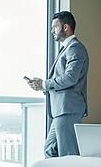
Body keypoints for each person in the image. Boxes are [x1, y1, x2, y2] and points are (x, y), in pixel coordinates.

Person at [27, 11, 89, 158]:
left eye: (55, 27)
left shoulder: (75, 48)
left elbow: (70, 78)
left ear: (66, 27)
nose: (52, 31)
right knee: (50, 150)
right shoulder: (67, 49)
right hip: (61, 110)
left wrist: (44, 84)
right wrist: (41, 85)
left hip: (68, 109)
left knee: (67, 154)